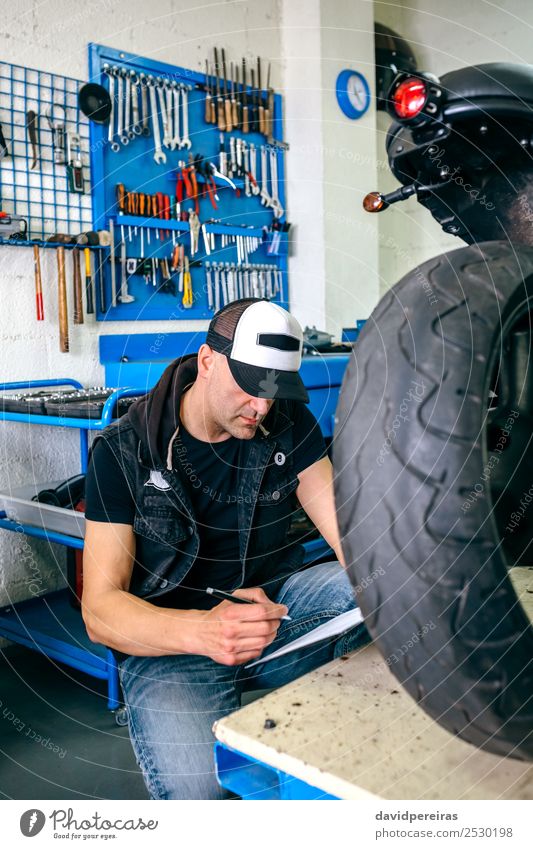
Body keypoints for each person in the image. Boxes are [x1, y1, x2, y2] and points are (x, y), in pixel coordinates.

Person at [81, 298, 368, 800]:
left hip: (277, 613)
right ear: (208, 362)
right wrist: (203, 631)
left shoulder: (286, 421)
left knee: (379, 593)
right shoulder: (122, 451)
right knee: (200, 797)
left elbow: (350, 535)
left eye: (274, 393)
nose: (262, 409)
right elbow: (100, 612)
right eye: (251, 389)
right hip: (173, 643)